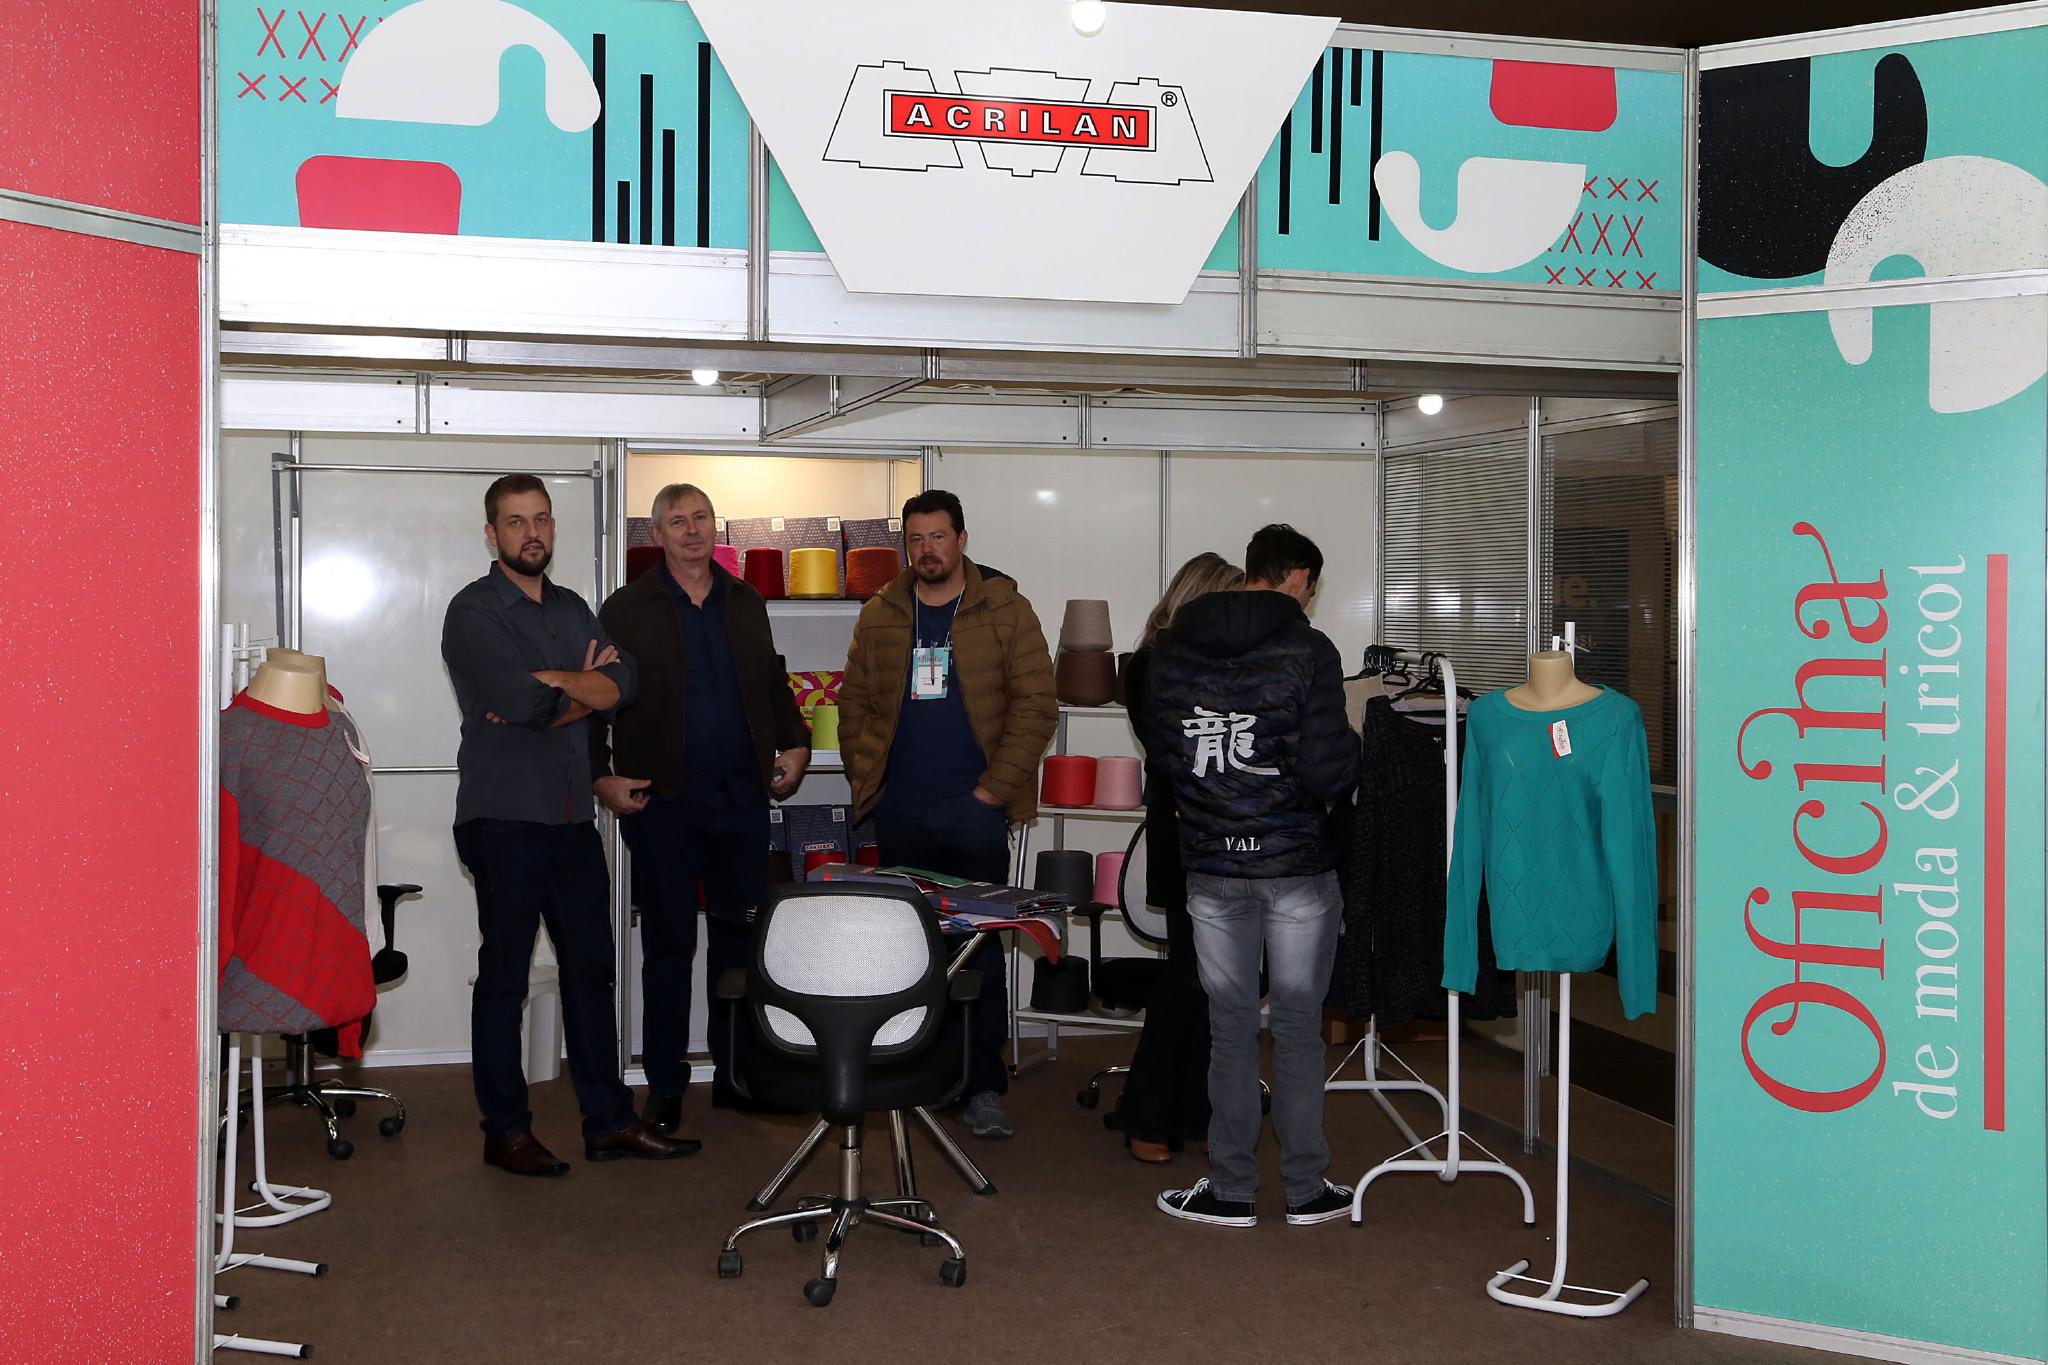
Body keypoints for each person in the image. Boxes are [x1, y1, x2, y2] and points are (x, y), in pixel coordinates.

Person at [442, 474, 698, 1177]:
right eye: (516, 521)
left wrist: (559, 686)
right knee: (506, 980)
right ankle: (505, 1131)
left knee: (592, 972)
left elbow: (628, 682)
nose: (533, 533)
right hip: (503, 817)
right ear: (491, 533)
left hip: (570, 816)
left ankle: (608, 1122)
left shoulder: (573, 607)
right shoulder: (473, 611)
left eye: (542, 520)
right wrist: (582, 689)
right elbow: (524, 704)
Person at [1141, 524, 1360, 1226]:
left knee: (1230, 1028)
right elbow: (1328, 771)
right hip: (1296, 867)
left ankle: (1232, 1188)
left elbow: (1165, 759)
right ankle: (1306, 1189)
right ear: (1296, 578)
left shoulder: (1172, 649)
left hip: (1211, 863)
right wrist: (1354, 749)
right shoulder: (1309, 650)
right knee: (1296, 1028)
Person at [591, 483, 811, 1134]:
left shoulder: (745, 600)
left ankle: (737, 1074)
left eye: (701, 518)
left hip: (741, 798)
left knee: (740, 943)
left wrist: (796, 741)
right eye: (677, 521)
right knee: (668, 945)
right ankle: (664, 1085)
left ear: (715, 527)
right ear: (656, 534)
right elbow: (594, 697)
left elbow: (772, 679)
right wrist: (600, 775)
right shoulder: (626, 608)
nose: (691, 530)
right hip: (663, 803)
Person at [839, 490, 1057, 1139]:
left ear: (962, 539)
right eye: (916, 539)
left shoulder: (1006, 608)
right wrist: (870, 777)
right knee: (912, 950)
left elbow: (1037, 706)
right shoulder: (881, 612)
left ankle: (983, 1085)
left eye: (938, 536)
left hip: (974, 813)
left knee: (978, 951)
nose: (927, 549)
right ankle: (921, 1076)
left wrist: (991, 792)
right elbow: (853, 703)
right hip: (900, 810)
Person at [1112, 552, 1244, 1163]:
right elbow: (1177, 748)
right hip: (1185, 831)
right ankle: (1145, 1113)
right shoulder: (1153, 665)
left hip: (1218, 834)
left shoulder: (1203, 662)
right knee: (1189, 979)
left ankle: (1189, 1110)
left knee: (1209, 979)